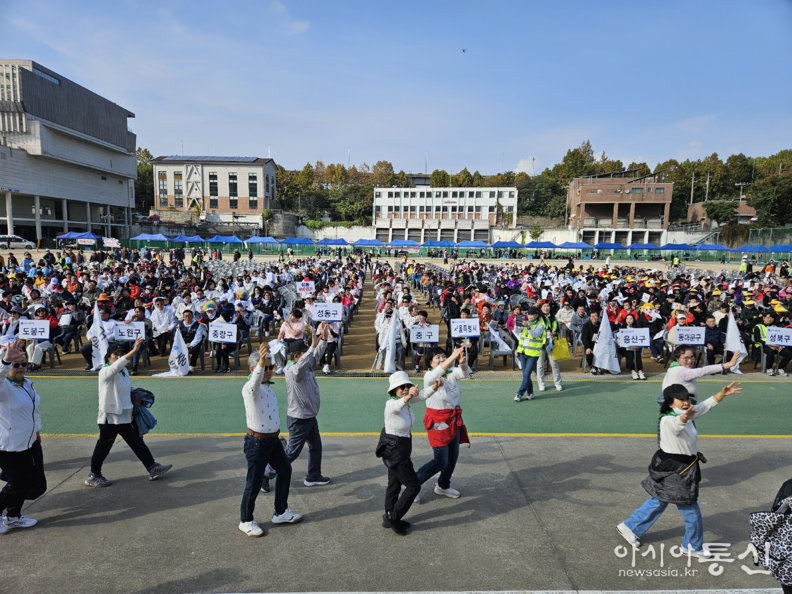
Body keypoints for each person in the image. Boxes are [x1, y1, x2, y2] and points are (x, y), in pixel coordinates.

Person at [617, 382, 743, 557]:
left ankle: (630, 527)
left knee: (660, 499)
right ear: (670, 403)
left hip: (675, 466)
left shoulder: (685, 413)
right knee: (690, 507)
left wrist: (722, 394)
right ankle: (692, 545)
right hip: (678, 470)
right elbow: (677, 424)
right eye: (681, 400)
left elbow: (704, 406)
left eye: (687, 399)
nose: (686, 402)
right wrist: (685, 417)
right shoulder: (668, 419)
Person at [84, 338, 172, 487]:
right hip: (110, 417)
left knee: (137, 442)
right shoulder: (105, 371)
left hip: (126, 415)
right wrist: (134, 350)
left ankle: (152, 467)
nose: (118, 357)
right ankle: (93, 475)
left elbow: (123, 388)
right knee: (103, 447)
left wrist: (136, 399)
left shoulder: (124, 370)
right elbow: (116, 367)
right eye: (115, 355)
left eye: (121, 354)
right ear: (108, 357)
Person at [239, 343, 301, 537]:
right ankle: (246, 520)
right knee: (254, 482)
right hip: (257, 443)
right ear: (253, 369)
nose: (268, 371)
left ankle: (281, 511)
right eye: (264, 367)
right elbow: (255, 381)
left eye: (270, 367)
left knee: (285, 470)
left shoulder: (268, 389)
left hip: (273, 441)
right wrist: (260, 364)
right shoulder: (250, 388)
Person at [264, 322, 331, 489]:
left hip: (309, 416)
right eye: (303, 353)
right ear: (296, 356)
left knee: (316, 446)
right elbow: (307, 358)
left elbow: (315, 355)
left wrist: (323, 339)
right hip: (299, 419)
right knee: (292, 452)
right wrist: (312, 348)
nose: (307, 355)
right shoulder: (293, 371)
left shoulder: (305, 366)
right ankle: (265, 473)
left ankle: (313, 475)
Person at [377, 370, 442, 535]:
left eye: (408, 386)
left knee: (394, 484)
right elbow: (399, 404)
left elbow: (422, 395)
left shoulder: (406, 401)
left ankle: (389, 516)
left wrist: (434, 387)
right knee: (414, 486)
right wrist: (407, 396)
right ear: (394, 390)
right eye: (401, 387)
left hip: (399, 448)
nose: (405, 389)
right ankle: (393, 517)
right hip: (396, 450)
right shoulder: (391, 403)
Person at [414, 345, 469, 501]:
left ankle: (443, 485)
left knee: (453, 457)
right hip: (438, 422)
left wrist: (462, 361)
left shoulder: (450, 373)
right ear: (430, 362)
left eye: (443, 356)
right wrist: (453, 355)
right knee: (440, 460)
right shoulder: (430, 376)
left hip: (454, 420)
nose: (442, 359)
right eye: (437, 357)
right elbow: (439, 371)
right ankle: (412, 484)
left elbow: (464, 372)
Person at [0, 339, 42, 532]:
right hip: (9, 445)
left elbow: (34, 411)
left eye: (23, 364)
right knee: (17, 482)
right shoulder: (4, 388)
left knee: (28, 481)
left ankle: (14, 516)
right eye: (16, 365)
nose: (20, 368)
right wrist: (5, 361)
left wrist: (37, 431)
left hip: (28, 442)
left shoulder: (27, 384)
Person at [661, 345, 742, 404]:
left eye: (692, 357)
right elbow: (703, 371)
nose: (690, 360)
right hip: (679, 415)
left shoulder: (672, 368)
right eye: (685, 358)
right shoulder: (681, 372)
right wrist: (728, 364)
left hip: (682, 411)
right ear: (676, 358)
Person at [514, 306, 545, 402]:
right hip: (523, 352)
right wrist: (517, 323)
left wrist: (528, 327)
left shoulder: (540, 325)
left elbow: (535, 334)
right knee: (525, 374)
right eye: (529, 314)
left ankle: (519, 393)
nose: (530, 316)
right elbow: (517, 332)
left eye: (532, 314)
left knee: (527, 374)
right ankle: (530, 393)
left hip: (533, 353)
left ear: (536, 315)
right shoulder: (525, 322)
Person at [536, 300, 563, 392]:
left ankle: (558, 383)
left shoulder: (554, 318)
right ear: (541, 308)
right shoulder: (538, 318)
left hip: (551, 343)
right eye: (544, 306)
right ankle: (541, 384)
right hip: (540, 343)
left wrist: (554, 333)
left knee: (554, 364)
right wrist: (536, 304)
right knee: (540, 364)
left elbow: (558, 330)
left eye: (548, 306)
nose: (546, 308)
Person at [581, 310, 602, 374]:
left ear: (598, 317)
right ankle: (591, 366)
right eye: (592, 316)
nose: (594, 318)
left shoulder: (601, 325)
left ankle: (599, 366)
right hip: (590, 344)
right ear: (590, 318)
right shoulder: (586, 326)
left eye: (595, 316)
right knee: (589, 353)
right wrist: (587, 347)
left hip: (600, 344)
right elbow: (584, 337)